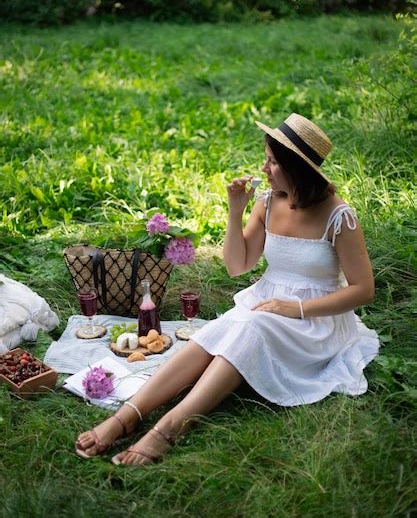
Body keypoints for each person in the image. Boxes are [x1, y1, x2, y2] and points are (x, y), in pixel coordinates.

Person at [75, 113, 379, 466]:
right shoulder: (267, 202)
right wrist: (236, 212)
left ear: (300, 169)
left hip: (316, 319)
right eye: (266, 158)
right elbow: (238, 266)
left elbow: (363, 290)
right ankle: (126, 416)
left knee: (250, 326)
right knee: (216, 333)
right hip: (266, 302)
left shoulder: (339, 217)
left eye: (274, 162)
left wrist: (294, 309)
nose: (265, 169)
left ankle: (169, 427)